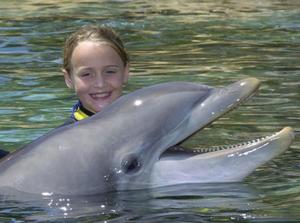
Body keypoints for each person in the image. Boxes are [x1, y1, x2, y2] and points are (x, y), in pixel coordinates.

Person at [62, 25, 130, 125]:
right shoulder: (65, 137)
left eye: (110, 71)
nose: (100, 84)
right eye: (86, 74)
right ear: (69, 79)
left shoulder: (147, 118)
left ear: (125, 72)